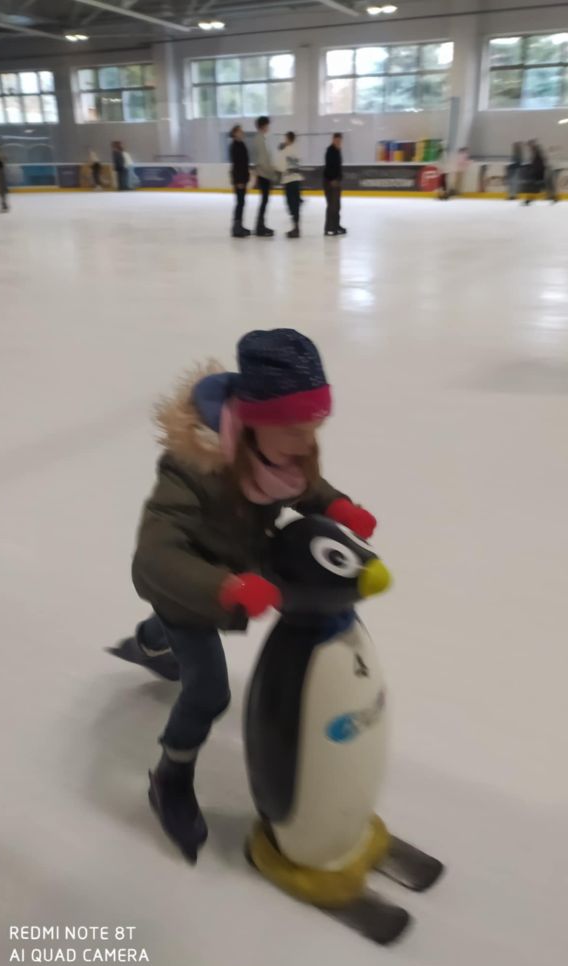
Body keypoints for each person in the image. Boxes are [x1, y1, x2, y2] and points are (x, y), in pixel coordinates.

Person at [114, 329, 377, 863]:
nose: (307, 442)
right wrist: (224, 587)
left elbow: (304, 487)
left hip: (231, 575)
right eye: (295, 429)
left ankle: (151, 642)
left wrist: (337, 506)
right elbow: (157, 554)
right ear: (254, 420)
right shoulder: (193, 468)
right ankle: (170, 777)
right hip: (186, 586)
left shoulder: (279, 454)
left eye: (315, 427)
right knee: (208, 690)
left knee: (172, 640)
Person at [250, 116, 275, 237]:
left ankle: (261, 225)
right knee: (264, 201)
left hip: (264, 173)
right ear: (263, 126)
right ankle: (260, 227)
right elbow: (261, 160)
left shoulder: (261, 139)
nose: (268, 127)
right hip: (264, 174)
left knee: (264, 201)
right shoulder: (259, 140)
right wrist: (271, 172)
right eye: (267, 125)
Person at [278, 130, 303, 238]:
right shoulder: (297, 150)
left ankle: (295, 228)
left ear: (288, 139)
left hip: (288, 180)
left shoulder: (285, 151)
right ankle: (296, 227)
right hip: (296, 180)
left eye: (285, 138)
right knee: (295, 204)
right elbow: (299, 162)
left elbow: (280, 167)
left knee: (290, 204)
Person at [229, 124, 250, 238]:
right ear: (235, 133)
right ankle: (236, 227)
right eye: (240, 131)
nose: (242, 133)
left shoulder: (242, 144)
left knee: (242, 202)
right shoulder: (234, 146)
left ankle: (239, 225)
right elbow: (237, 165)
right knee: (240, 202)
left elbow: (245, 162)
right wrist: (239, 181)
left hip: (243, 178)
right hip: (239, 179)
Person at [323, 132, 346, 236]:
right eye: (336, 140)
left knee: (337, 206)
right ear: (333, 140)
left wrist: (339, 179)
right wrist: (332, 180)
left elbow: (338, 167)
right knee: (332, 206)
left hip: (336, 181)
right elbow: (329, 167)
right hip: (330, 182)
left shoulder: (338, 150)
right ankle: (329, 228)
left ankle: (336, 225)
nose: (338, 142)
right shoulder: (330, 151)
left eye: (339, 140)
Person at [522, 140, 546, 205]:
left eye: (531, 146)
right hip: (536, 171)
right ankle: (530, 198)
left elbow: (538, 162)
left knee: (533, 186)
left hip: (538, 171)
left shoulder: (537, 153)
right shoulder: (536, 153)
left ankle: (530, 198)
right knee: (532, 186)